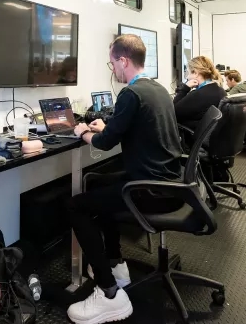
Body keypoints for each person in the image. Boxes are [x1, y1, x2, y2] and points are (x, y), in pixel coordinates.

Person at [67, 34, 183, 324]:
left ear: (123, 60)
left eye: (112, 64)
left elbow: (104, 144)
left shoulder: (130, 94)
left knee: (74, 206)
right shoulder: (155, 88)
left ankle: (108, 294)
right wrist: (109, 126)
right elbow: (133, 128)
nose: (113, 70)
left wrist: (82, 131)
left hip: (149, 189)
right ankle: (116, 264)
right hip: (169, 182)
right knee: (97, 183)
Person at [173, 56, 226, 140]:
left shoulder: (199, 94)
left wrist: (185, 88)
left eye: (188, 73)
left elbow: (173, 113)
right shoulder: (220, 90)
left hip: (194, 139)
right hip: (212, 139)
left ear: (196, 73)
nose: (187, 77)